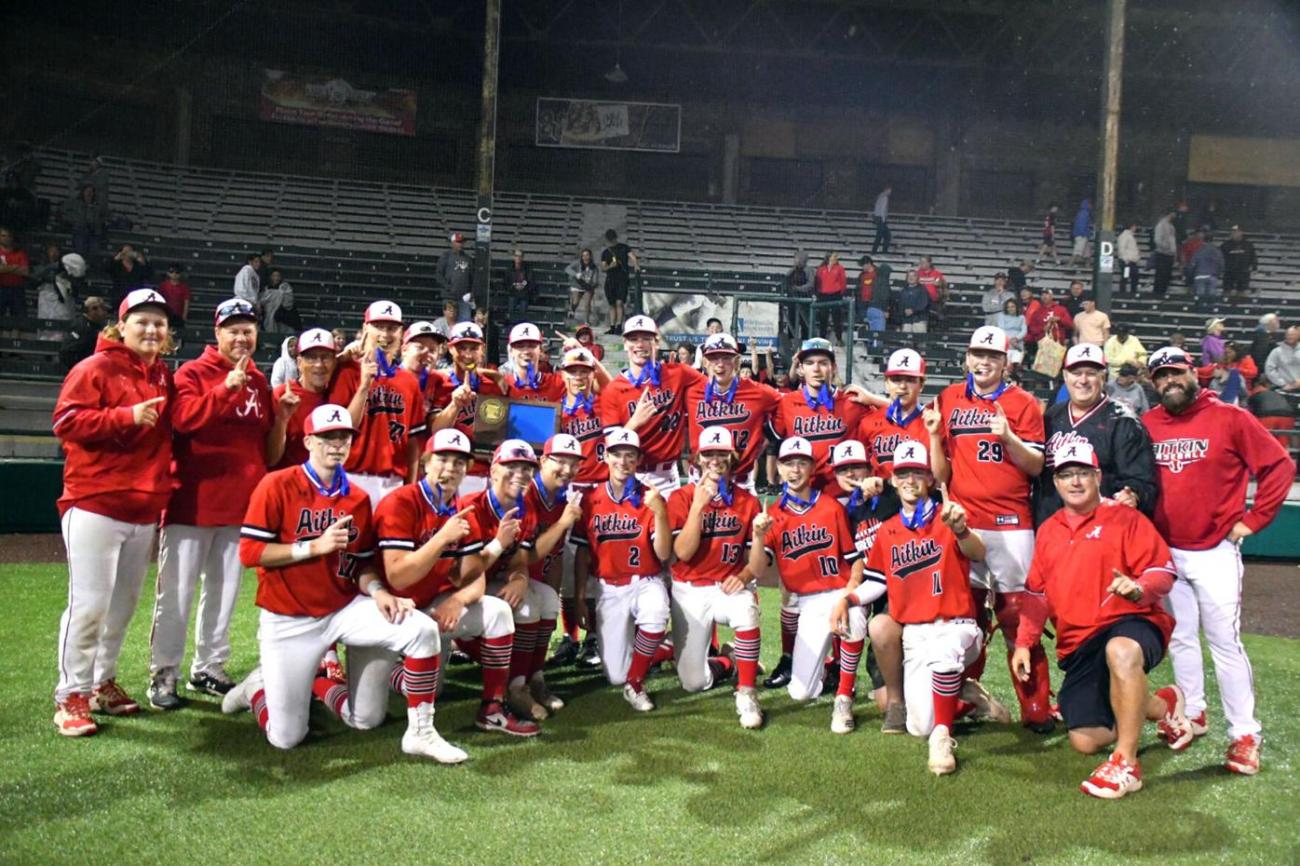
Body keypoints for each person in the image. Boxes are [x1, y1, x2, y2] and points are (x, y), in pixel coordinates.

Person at [222, 404, 465, 763]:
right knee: (287, 738)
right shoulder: (277, 484)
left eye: (344, 437)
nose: (336, 444)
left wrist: (380, 592)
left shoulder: (357, 498)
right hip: (289, 617)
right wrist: (311, 547)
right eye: (327, 437)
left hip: (343, 608)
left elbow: (362, 563)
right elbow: (250, 552)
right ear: (308, 441)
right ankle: (258, 688)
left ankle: (421, 732)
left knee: (414, 641)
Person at [1142, 346, 1296, 775]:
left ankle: (1245, 733)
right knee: (1182, 638)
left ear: (1194, 374)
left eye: (1176, 373)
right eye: (1161, 377)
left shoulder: (1230, 417)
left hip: (1214, 550)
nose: (1169, 381)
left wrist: (1254, 520)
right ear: (1153, 384)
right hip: (1167, 551)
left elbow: (1279, 466)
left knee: (1225, 642)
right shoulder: (1149, 423)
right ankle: (1193, 711)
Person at [1013, 442, 1191, 799]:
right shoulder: (1048, 531)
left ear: (1097, 477)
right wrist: (1023, 642)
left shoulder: (1127, 519)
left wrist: (1139, 588)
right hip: (1079, 642)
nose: (1074, 482)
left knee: (1121, 651)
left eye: (1082, 473)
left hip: (1132, 621)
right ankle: (1162, 706)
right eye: (1066, 475)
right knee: (1084, 740)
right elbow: (1036, 594)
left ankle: (1126, 762)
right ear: (1056, 482)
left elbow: (1163, 571)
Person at [50, 288, 176, 735]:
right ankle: (71, 697)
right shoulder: (95, 367)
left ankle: (101, 682)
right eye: (142, 320)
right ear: (121, 325)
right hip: (95, 502)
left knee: (121, 607)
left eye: (159, 323)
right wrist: (123, 417)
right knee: (89, 606)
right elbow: (64, 422)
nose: (152, 329)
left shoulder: (162, 374)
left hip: (141, 508)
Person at [833, 441, 1001, 773]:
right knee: (917, 725)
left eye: (917, 473)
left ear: (929, 479)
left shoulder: (949, 514)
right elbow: (878, 581)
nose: (910, 480)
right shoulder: (889, 529)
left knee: (943, 669)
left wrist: (962, 530)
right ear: (893, 480)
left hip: (957, 626)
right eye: (903, 474)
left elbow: (978, 553)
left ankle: (943, 738)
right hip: (915, 633)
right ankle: (965, 697)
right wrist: (848, 598)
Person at [147, 298, 273, 709]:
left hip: (241, 506)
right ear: (217, 334)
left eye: (248, 330)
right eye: (233, 330)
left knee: (225, 592)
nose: (241, 337)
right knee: (177, 594)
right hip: (192, 502)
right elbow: (181, 421)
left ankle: (210, 666)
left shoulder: (260, 380)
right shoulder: (193, 372)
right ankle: (164, 674)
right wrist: (224, 390)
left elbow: (263, 443)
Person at [928, 325, 1053, 730]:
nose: (984, 362)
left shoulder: (1024, 403)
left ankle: (1035, 706)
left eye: (993, 356)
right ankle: (967, 697)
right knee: (965, 618)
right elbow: (940, 472)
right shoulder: (948, 399)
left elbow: (1035, 467)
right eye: (978, 354)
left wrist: (1010, 438)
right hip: (964, 524)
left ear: (1005, 362)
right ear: (967, 358)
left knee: (1017, 616)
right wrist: (932, 437)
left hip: (1011, 524)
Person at [750, 436, 865, 733]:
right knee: (800, 692)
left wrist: (850, 595)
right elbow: (758, 569)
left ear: (812, 468)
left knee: (854, 615)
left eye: (802, 463)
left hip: (838, 591)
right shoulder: (772, 515)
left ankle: (844, 697)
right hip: (809, 603)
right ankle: (827, 671)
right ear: (780, 468)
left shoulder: (830, 507)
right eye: (789, 463)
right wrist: (759, 536)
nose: (795, 469)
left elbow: (855, 560)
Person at [668, 427, 765, 728]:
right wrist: (698, 505)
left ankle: (747, 691)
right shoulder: (681, 497)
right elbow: (682, 553)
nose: (715, 459)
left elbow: (757, 565)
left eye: (721, 453)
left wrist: (747, 572)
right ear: (697, 459)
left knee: (747, 608)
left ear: (732, 457)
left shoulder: (747, 501)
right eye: (708, 453)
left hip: (726, 587)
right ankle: (729, 660)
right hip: (689, 589)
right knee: (693, 683)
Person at [572, 428, 673, 711]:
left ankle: (636, 684)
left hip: (646, 579)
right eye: (617, 454)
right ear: (605, 456)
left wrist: (661, 513)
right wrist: (580, 597)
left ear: (638, 460)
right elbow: (582, 552)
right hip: (608, 586)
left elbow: (664, 553)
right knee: (615, 674)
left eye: (630, 456)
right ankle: (672, 648)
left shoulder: (650, 497)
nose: (623, 461)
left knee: (654, 613)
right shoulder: (590, 498)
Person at [1036, 343, 1157, 525]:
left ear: (1104, 377)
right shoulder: (1051, 416)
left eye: (1091, 373)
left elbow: (1142, 481)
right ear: (1065, 376)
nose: (1083, 380)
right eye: (1076, 373)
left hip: (1101, 528)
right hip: (1052, 526)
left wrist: (1133, 494)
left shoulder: (1125, 421)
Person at [513, 434, 587, 717]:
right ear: (543, 460)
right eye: (561, 462)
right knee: (534, 604)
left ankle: (535, 679)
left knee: (547, 603)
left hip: (532, 577)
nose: (567, 470)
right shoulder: (525, 494)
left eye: (574, 464)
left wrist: (554, 596)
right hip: (507, 576)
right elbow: (528, 555)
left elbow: (554, 555)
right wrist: (564, 523)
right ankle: (515, 686)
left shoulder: (559, 498)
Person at [328, 301, 427, 506]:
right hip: (351, 477)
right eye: (378, 327)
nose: (385, 334)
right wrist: (364, 386)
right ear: (365, 329)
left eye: (391, 328)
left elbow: (413, 443)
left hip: (394, 482)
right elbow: (341, 430)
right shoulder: (347, 373)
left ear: (401, 334)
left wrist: (410, 486)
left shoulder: (409, 382)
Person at [597, 315, 704, 494]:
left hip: (667, 477)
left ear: (657, 342)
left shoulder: (678, 374)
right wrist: (634, 422)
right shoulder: (613, 390)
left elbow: (714, 389)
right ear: (625, 344)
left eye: (646, 338)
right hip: (629, 474)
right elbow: (611, 445)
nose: (640, 344)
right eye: (633, 339)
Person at [685, 332, 780, 494]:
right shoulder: (690, 391)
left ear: (737, 362)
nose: (720, 364)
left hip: (740, 482)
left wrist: (768, 434)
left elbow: (787, 407)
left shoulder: (759, 392)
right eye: (714, 358)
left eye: (726, 358)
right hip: (701, 479)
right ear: (705, 362)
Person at [427, 321, 506, 496]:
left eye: (473, 348)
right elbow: (435, 430)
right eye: (461, 348)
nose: (468, 355)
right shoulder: (439, 382)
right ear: (450, 348)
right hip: (452, 470)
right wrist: (455, 405)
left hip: (489, 472)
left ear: (482, 349)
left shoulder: (495, 386)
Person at [267, 328, 335, 470]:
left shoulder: (338, 394)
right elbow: (270, 459)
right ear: (299, 362)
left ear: (334, 362)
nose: (319, 364)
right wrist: (282, 420)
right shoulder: (281, 395)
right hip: (287, 483)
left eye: (325, 357)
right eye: (311, 357)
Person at [35, 252, 88, 341]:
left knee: (62, 334)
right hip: (48, 309)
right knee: (46, 335)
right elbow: (34, 278)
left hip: (65, 312)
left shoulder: (71, 280)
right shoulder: (48, 275)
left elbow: (76, 289)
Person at [59, 295, 112, 370]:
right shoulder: (81, 326)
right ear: (93, 309)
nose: (105, 313)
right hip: (81, 368)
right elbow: (67, 352)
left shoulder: (98, 325)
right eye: (103, 309)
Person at [600, 229, 637, 334]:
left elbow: (632, 256)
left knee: (619, 302)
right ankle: (612, 326)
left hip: (622, 278)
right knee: (612, 304)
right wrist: (610, 266)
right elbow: (603, 267)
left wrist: (636, 265)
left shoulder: (624, 247)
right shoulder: (606, 252)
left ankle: (619, 326)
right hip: (610, 280)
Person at [436, 232, 476, 321]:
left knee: (465, 321)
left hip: (464, 298)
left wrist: (472, 292)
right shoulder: (446, 257)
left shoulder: (468, 259)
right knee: (449, 321)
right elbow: (439, 275)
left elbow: (472, 278)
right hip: (449, 297)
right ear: (453, 243)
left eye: (462, 242)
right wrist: (448, 287)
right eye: (458, 242)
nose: (460, 244)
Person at [62, 184, 106, 261]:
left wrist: (98, 222)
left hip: (94, 232)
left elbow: (106, 216)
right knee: (80, 247)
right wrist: (73, 220)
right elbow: (63, 212)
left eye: (91, 191)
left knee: (94, 249)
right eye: (87, 191)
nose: (89, 193)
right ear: (83, 192)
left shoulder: (98, 206)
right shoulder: (75, 203)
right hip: (79, 230)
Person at [813, 252, 847, 345]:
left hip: (835, 294)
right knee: (823, 318)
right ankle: (822, 338)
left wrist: (841, 292)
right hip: (823, 295)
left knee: (837, 318)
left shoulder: (839, 268)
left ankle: (839, 339)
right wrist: (818, 293)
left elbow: (843, 281)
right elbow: (817, 282)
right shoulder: (821, 269)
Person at [1188, 230, 1224, 311]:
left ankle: (1200, 313)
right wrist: (1218, 274)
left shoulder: (1199, 251)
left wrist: (1190, 276)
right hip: (1212, 276)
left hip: (1200, 275)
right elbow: (1221, 264)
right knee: (1211, 297)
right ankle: (1210, 312)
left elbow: (1193, 264)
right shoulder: (1217, 251)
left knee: (1200, 297)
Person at [784, 251, 816, 344]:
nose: (795, 260)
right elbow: (787, 281)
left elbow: (810, 284)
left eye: (797, 258)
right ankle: (791, 341)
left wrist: (798, 288)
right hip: (793, 300)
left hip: (804, 301)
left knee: (805, 322)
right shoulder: (792, 271)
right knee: (792, 320)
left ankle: (806, 342)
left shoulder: (809, 270)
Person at [0, 226, 30, 321]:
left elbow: (25, 271)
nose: (6, 238)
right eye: (3, 236)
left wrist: (6, 268)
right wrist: (15, 267)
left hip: (17, 289)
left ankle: (16, 336)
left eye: (8, 236)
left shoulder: (20, 253)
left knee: (18, 319)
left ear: (12, 238)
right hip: (1, 288)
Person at [260, 269, 301, 334]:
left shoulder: (285, 287)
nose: (276, 278)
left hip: (284, 316)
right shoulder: (266, 288)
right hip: (268, 316)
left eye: (278, 276)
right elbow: (263, 300)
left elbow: (288, 303)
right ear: (270, 277)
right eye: (274, 275)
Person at [1221, 226, 1258, 296]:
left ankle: (1240, 305)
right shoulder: (1225, 245)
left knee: (1242, 291)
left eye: (1236, 231)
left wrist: (1254, 267)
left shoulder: (1248, 245)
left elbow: (1253, 257)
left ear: (1241, 232)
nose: (1234, 233)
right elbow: (1220, 257)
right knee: (1227, 291)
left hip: (1243, 272)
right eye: (1233, 232)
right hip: (1229, 272)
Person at [1264, 326, 1300, 395]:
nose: (1290, 337)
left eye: (1293, 335)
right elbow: (1269, 369)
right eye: (1288, 334)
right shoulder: (1276, 351)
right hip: (1283, 390)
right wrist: (1283, 383)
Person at [566, 248, 599, 322]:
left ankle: (587, 321)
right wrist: (575, 274)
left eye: (587, 255)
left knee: (587, 304)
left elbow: (595, 280)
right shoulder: (577, 263)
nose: (585, 257)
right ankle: (572, 311)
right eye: (583, 255)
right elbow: (567, 269)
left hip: (588, 287)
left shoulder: (594, 267)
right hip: (577, 285)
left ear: (590, 256)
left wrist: (592, 283)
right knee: (575, 302)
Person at [504, 247, 535, 324]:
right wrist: (514, 285)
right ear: (514, 257)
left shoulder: (527, 268)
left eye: (520, 256)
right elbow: (506, 281)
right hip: (513, 292)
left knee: (523, 313)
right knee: (510, 310)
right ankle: (510, 325)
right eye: (516, 255)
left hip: (524, 293)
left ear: (522, 257)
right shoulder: (509, 268)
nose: (518, 257)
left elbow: (530, 279)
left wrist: (523, 284)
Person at [894, 270, 930, 334]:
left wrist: (913, 310)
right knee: (906, 342)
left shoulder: (922, 289)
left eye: (914, 276)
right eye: (909, 276)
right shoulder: (903, 291)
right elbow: (899, 305)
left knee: (919, 341)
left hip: (919, 320)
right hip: (906, 321)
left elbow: (924, 304)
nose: (911, 278)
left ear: (917, 278)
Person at [157, 264, 192, 331]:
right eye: (171, 272)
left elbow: (186, 303)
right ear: (168, 273)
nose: (174, 274)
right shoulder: (163, 286)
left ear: (181, 274)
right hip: (166, 314)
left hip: (178, 315)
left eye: (177, 272)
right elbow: (159, 300)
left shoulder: (184, 288)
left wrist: (184, 317)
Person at [1152, 209, 1177, 296]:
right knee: (1160, 275)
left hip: (1169, 254)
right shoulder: (1161, 225)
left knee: (1166, 276)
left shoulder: (1171, 227)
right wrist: (1166, 247)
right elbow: (1157, 240)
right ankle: (1157, 293)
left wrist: (1173, 252)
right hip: (1162, 253)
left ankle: (1163, 292)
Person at [1117, 221, 1142, 294]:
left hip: (1130, 261)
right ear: (1132, 226)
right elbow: (1122, 248)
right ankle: (1123, 292)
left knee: (1132, 277)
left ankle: (1130, 292)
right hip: (1127, 262)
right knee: (1127, 277)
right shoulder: (1125, 236)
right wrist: (1126, 259)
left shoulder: (1130, 236)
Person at [1070, 198, 1093, 268]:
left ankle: (1088, 265)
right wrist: (1084, 233)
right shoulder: (1084, 213)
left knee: (1087, 252)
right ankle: (1069, 266)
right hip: (1081, 235)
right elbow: (1081, 225)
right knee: (1077, 252)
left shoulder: (1082, 213)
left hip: (1083, 235)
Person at [871, 184, 892, 253]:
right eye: (889, 190)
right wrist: (883, 220)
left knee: (882, 236)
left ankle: (876, 250)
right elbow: (882, 210)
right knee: (884, 236)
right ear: (887, 190)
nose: (890, 192)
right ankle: (880, 251)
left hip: (878, 218)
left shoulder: (880, 196)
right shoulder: (884, 197)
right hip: (881, 219)